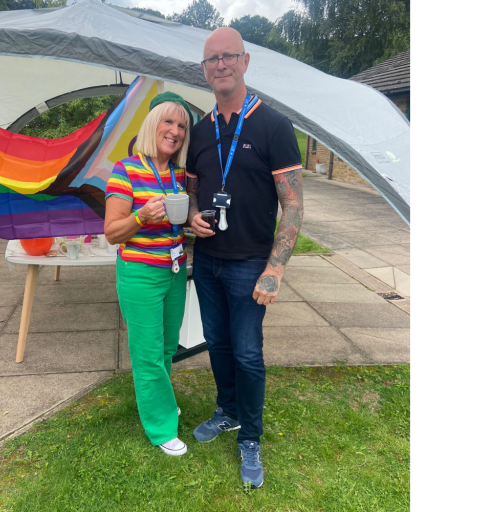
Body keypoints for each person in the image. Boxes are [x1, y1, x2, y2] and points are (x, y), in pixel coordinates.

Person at [185, 27, 304, 488]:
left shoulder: (273, 125)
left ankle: (250, 436)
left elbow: (292, 204)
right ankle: (228, 411)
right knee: (216, 343)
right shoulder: (200, 129)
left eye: (228, 56)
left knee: (249, 353)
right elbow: (192, 192)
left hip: (250, 263)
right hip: (209, 260)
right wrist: (193, 215)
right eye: (212, 59)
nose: (220, 65)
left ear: (245, 61)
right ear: (204, 68)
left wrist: (275, 269)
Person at [104, 92, 193, 456]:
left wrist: (192, 227)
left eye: (182, 126)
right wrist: (142, 217)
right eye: (168, 122)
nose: (175, 131)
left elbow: (177, 224)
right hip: (140, 272)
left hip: (174, 271)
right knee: (148, 353)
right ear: (152, 124)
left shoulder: (179, 174)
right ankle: (160, 427)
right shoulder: (125, 170)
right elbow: (112, 232)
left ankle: (160, 402)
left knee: (169, 347)